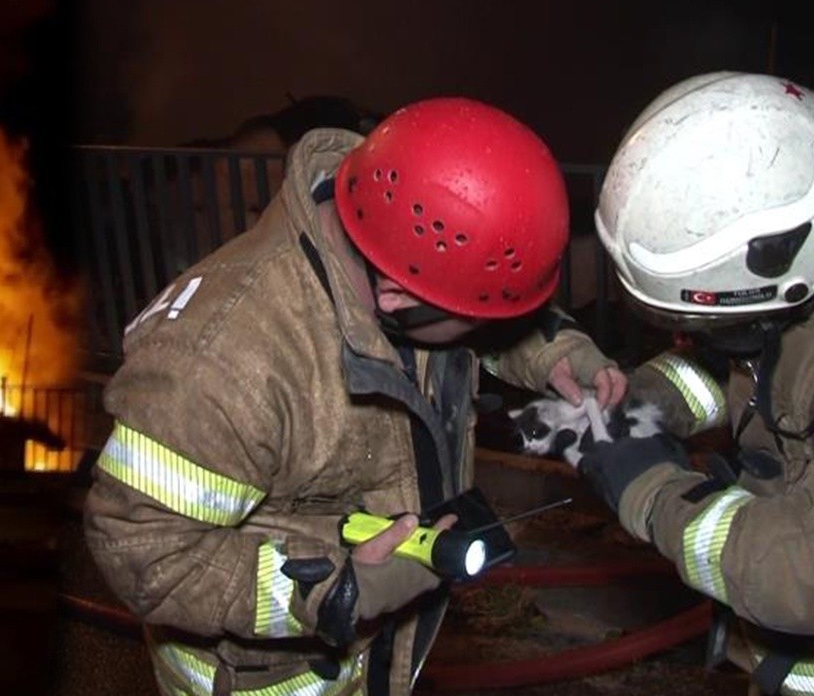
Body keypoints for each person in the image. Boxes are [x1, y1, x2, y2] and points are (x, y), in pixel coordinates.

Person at [84, 98, 626, 695]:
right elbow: (138, 548)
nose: (483, 336)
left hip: (380, 656)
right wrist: (336, 591)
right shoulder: (221, 365)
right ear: (396, 297)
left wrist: (554, 352)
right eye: (470, 323)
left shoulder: (400, 244)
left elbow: (475, 304)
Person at [578, 72, 814, 695]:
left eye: (704, 321)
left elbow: (801, 574)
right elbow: (750, 375)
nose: (688, 338)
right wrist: (640, 405)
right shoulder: (791, 306)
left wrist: (655, 495)